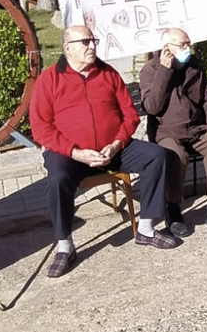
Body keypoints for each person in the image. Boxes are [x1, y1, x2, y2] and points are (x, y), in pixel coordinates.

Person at [31, 25, 177, 279]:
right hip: (71, 153)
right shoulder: (50, 78)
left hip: (113, 148)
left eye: (94, 40)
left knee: (157, 156)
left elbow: (130, 116)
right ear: (68, 48)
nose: (92, 46)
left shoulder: (107, 73)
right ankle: (65, 244)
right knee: (56, 178)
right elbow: (41, 127)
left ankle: (146, 227)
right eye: (85, 42)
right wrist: (75, 152)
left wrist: (118, 143)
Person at [140, 28, 207, 236]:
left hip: (197, 128)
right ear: (166, 47)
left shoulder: (194, 66)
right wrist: (164, 71)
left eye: (189, 43)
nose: (188, 48)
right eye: (182, 45)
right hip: (167, 131)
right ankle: (173, 208)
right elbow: (152, 107)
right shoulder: (150, 70)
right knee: (175, 155)